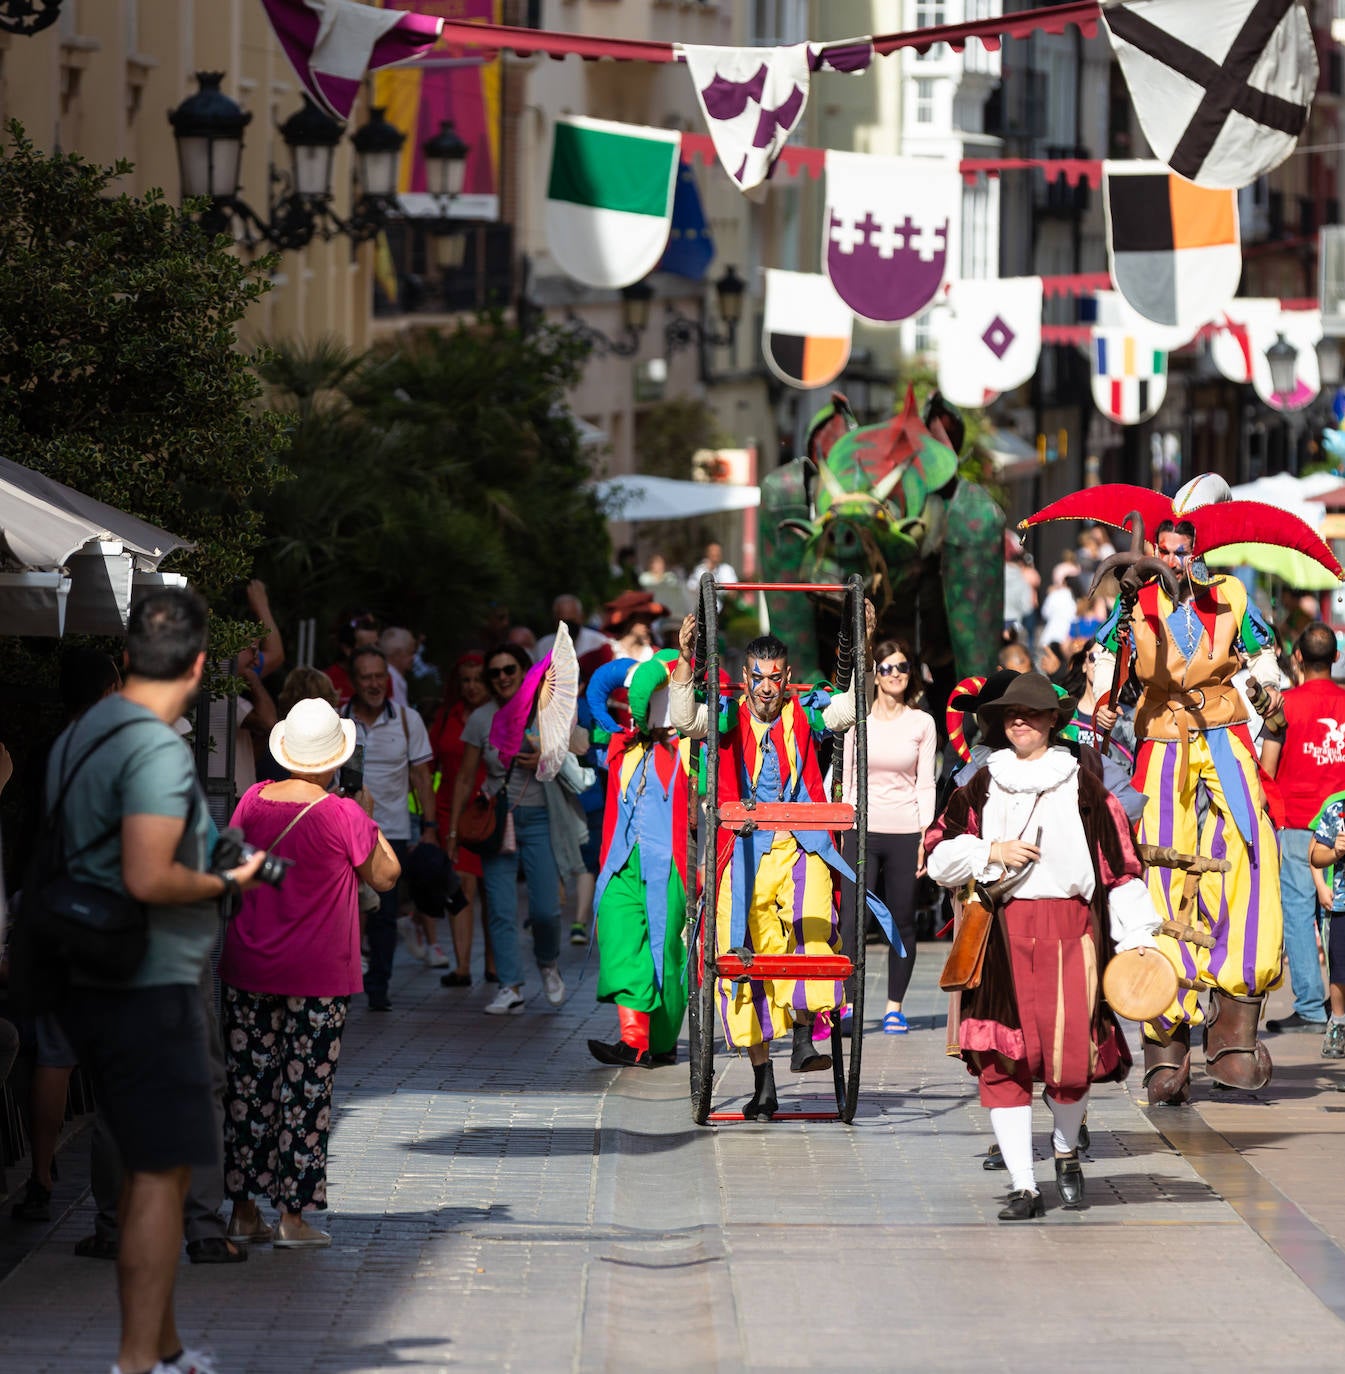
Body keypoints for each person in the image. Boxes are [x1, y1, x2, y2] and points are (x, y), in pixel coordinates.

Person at [50, 588, 268, 1374]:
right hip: (148, 978)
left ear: (126, 658)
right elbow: (149, 875)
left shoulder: (81, 737)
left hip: (92, 971)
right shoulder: (149, 747)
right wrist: (225, 879)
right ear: (203, 664)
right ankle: (141, 1359)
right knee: (157, 1174)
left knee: (152, 1161)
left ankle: (165, 1345)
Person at [926, 673, 1161, 1220]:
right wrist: (991, 850)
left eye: (1031, 712)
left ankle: (1064, 1152)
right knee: (1001, 1060)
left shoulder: (1082, 781)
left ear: (1053, 719)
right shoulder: (984, 782)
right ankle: (1024, 1186)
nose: (1020, 721)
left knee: (1070, 1061)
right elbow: (937, 852)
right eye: (1011, 714)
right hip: (1003, 935)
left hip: (1073, 932)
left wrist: (1140, 941)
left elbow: (1120, 868)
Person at [669, 608, 893, 1120]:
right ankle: (763, 1081)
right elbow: (684, 720)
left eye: (775, 678)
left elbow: (852, 709)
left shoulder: (806, 711)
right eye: (757, 678)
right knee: (741, 953)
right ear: (745, 677)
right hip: (742, 848)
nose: (766, 688)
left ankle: (806, 1035)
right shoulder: (725, 713)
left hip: (801, 844)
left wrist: (864, 642)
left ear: (786, 677)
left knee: (813, 923)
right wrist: (686, 658)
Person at [1093, 517, 1285, 1100]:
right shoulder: (1135, 602)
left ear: (1195, 551)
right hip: (1163, 732)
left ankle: (1233, 1014)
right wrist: (1102, 700)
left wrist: (1267, 683)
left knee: (1255, 844)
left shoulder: (1226, 593)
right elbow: (1106, 661)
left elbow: (1260, 648)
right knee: (1154, 859)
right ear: (1154, 551)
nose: (1175, 559)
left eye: (1183, 550)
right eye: (1166, 551)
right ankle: (1165, 1026)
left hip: (1224, 729)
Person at [221, 698, 400, 1249]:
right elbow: (388, 875)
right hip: (319, 977)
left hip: (248, 965)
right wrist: (365, 812)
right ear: (335, 759)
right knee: (307, 1093)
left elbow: (228, 860)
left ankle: (243, 1211)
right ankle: (293, 1218)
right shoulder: (342, 813)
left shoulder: (251, 801)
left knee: (247, 1090)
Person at [446, 643, 569, 1014]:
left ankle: (547, 962)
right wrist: (452, 833)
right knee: (499, 907)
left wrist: (544, 759)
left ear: (524, 671)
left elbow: (568, 757)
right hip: (496, 821)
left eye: (509, 670)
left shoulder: (543, 710)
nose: (502, 678)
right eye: (495, 672)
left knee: (546, 909)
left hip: (540, 817)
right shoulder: (481, 718)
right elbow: (466, 778)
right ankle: (510, 984)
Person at [585, 653, 689, 1068]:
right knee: (619, 934)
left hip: (671, 867)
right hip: (621, 864)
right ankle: (633, 1040)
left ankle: (661, 1043)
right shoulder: (618, 745)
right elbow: (587, 722)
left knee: (665, 952)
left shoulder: (690, 750)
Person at [840, 639, 936, 1035]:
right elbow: (846, 780)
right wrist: (845, 830)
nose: (895, 674)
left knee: (902, 921)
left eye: (902, 667)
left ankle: (895, 1006)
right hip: (861, 830)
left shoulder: (921, 723)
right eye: (887, 668)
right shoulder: (858, 722)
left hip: (904, 830)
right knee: (850, 922)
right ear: (874, 675)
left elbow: (925, 783)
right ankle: (845, 1006)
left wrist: (924, 837)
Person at [341, 645, 437, 1011]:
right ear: (353, 681)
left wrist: (428, 828)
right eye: (365, 677)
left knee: (383, 911)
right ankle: (344, 981)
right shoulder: (339, 720)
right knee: (346, 910)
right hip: (344, 828)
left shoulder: (408, 720)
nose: (374, 683)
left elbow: (422, 778)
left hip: (391, 831)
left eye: (379, 675)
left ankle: (378, 986)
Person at [1262, 622, 1345, 1034]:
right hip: (1343, 829)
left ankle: (1312, 1007)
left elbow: (1267, 768)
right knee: (1340, 912)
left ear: (1297, 658)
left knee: (1298, 913)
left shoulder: (1284, 707)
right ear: (1335, 658)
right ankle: (1338, 1006)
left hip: (1297, 824)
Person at [428, 652, 494, 987]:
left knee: (492, 889)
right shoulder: (446, 717)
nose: (471, 687)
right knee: (462, 884)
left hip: (490, 812)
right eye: (465, 680)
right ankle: (463, 965)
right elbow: (429, 765)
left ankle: (495, 964)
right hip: (451, 811)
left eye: (478, 680)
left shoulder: (499, 717)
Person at [603, 588, 666, 664]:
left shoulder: (654, 654)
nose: (648, 625)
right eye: (643, 619)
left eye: (649, 620)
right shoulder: (606, 652)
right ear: (629, 620)